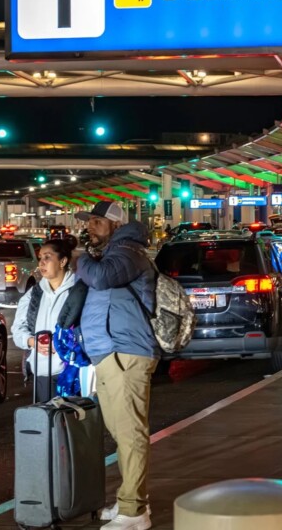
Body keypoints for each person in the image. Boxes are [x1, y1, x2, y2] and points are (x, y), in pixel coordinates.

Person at [75, 202, 158, 530]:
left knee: (131, 432)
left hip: (126, 351)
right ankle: (133, 501)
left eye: (97, 221)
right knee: (121, 433)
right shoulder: (113, 252)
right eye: (89, 221)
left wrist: (79, 257)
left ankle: (134, 512)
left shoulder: (128, 252)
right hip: (108, 352)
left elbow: (102, 278)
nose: (90, 227)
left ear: (115, 224)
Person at [11, 239, 87, 402]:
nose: (41, 263)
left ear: (63, 261)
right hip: (41, 373)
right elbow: (17, 329)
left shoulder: (79, 290)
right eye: (40, 258)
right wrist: (32, 341)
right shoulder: (34, 294)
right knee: (45, 416)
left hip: (72, 373)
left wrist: (64, 343)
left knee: (72, 416)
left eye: (47, 257)